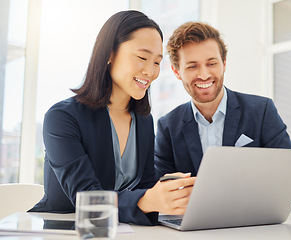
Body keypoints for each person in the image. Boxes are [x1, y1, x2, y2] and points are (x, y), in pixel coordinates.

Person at [29, 10, 195, 226]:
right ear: (109, 53)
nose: (150, 71)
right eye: (142, 57)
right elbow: (85, 198)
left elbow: (143, 187)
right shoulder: (61, 118)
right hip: (66, 229)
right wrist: (147, 200)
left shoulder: (143, 120)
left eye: (156, 62)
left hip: (121, 228)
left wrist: (167, 192)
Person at [155, 22, 291, 178]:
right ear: (176, 71)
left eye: (212, 63)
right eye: (192, 66)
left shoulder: (262, 111)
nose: (204, 74)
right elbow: (162, 191)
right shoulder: (168, 127)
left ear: (224, 63)